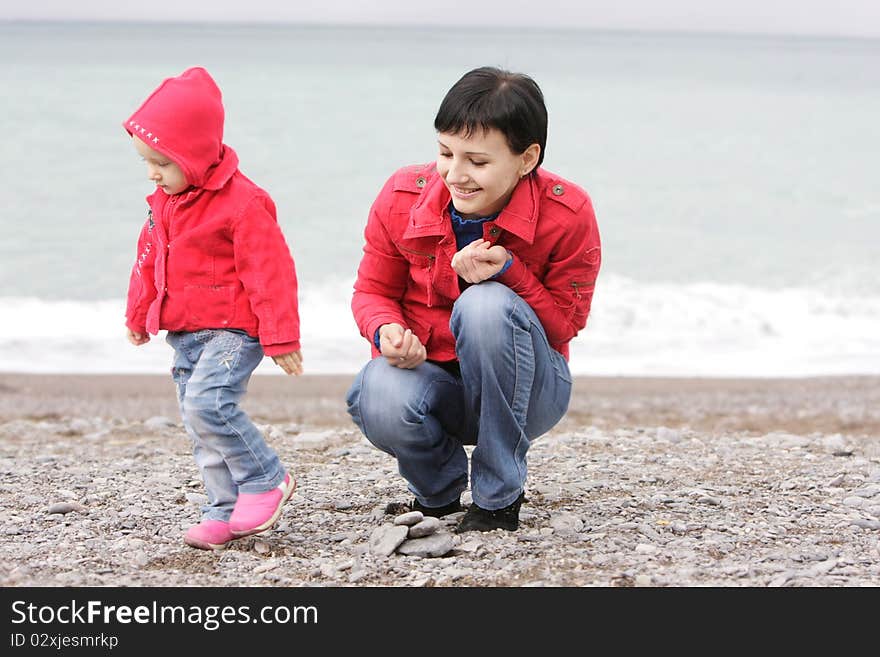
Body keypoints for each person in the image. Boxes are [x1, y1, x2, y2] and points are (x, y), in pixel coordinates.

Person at [346, 67, 601, 533]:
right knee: (377, 389)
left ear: (527, 159)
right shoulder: (403, 195)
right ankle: (438, 494)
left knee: (484, 304)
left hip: (530, 390)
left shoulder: (568, 212)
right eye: (445, 152)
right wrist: (386, 329)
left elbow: (565, 325)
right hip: (433, 384)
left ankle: (498, 497)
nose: (455, 175)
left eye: (477, 162)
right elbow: (372, 291)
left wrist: (510, 272)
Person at [123, 67, 302, 550]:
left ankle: (266, 479)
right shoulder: (165, 201)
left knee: (209, 404)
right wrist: (140, 311)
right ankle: (224, 508)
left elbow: (272, 272)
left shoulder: (243, 205)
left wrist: (281, 337)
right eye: (146, 162)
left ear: (196, 154)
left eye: (161, 161)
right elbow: (150, 257)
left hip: (233, 331)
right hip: (185, 331)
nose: (152, 173)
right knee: (199, 424)